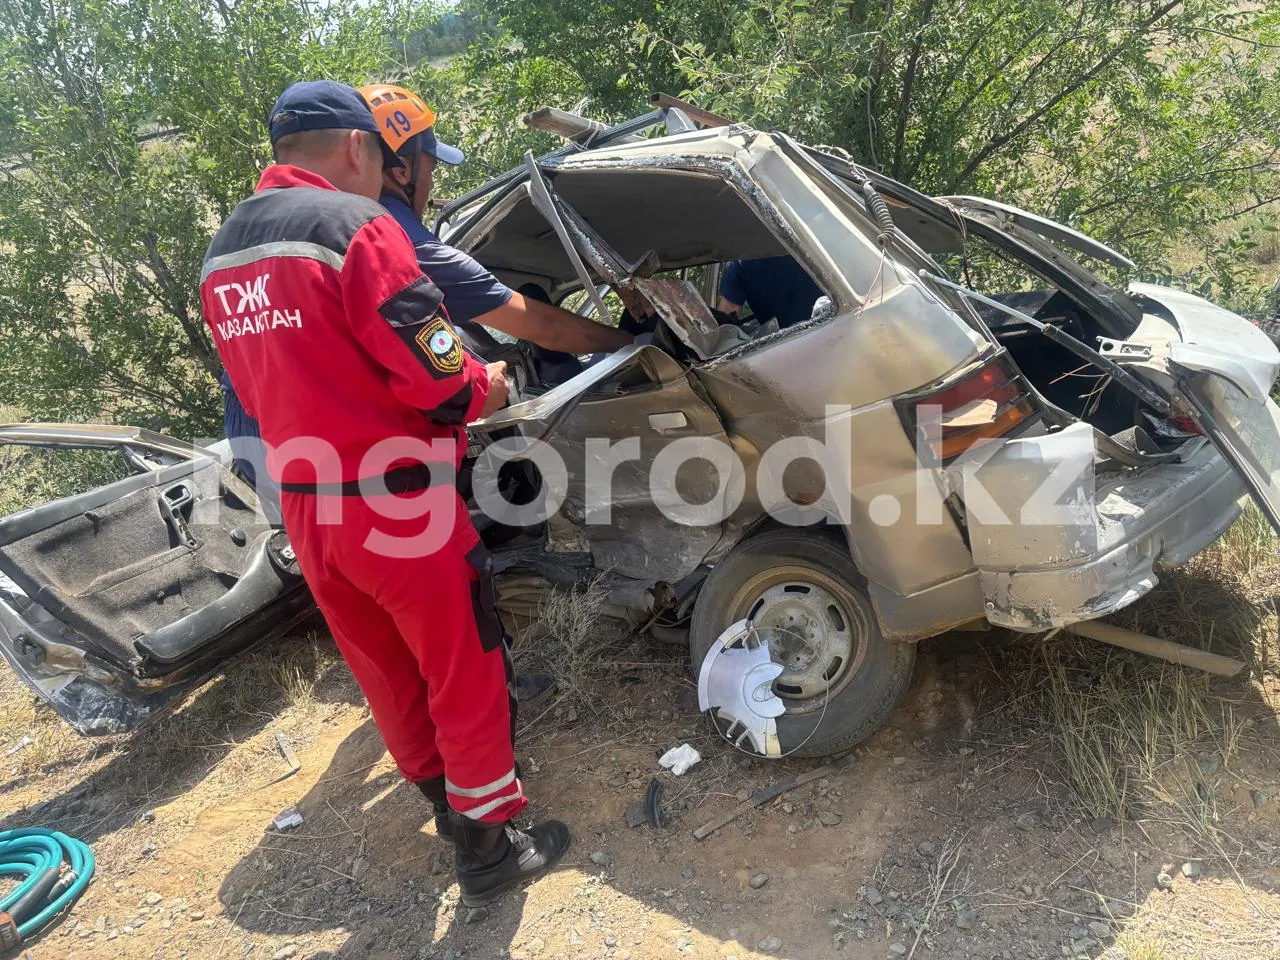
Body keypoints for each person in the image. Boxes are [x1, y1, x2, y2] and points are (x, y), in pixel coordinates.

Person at [199, 80, 569, 906]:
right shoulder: (353, 227)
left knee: (387, 673)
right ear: (359, 148)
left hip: (304, 505)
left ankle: (445, 810)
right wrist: (491, 387)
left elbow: (264, 385)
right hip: (395, 502)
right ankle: (488, 851)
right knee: (461, 666)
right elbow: (439, 377)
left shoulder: (224, 254)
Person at [717, 255, 823, 329]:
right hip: (826, 328)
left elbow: (726, 323)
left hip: (778, 345)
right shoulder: (810, 244)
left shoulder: (739, 263)